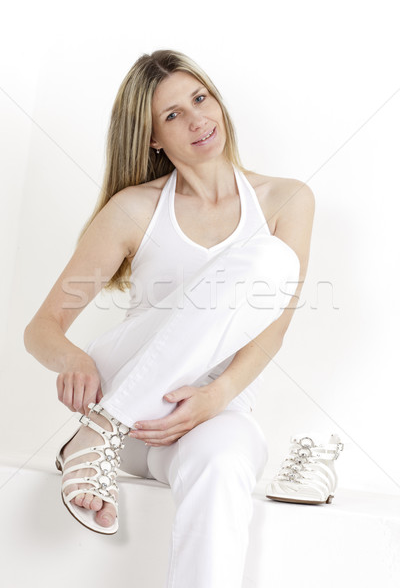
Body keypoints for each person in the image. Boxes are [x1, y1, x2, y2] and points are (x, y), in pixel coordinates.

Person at [24, 49, 314, 587]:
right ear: (153, 137)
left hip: (209, 406)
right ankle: (100, 432)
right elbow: (41, 328)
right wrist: (73, 359)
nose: (197, 119)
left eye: (200, 99)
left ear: (218, 102)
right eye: (173, 115)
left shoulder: (285, 199)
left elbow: (274, 331)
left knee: (225, 462)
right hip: (124, 394)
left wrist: (217, 395)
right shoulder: (134, 209)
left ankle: (92, 440)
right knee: (271, 259)